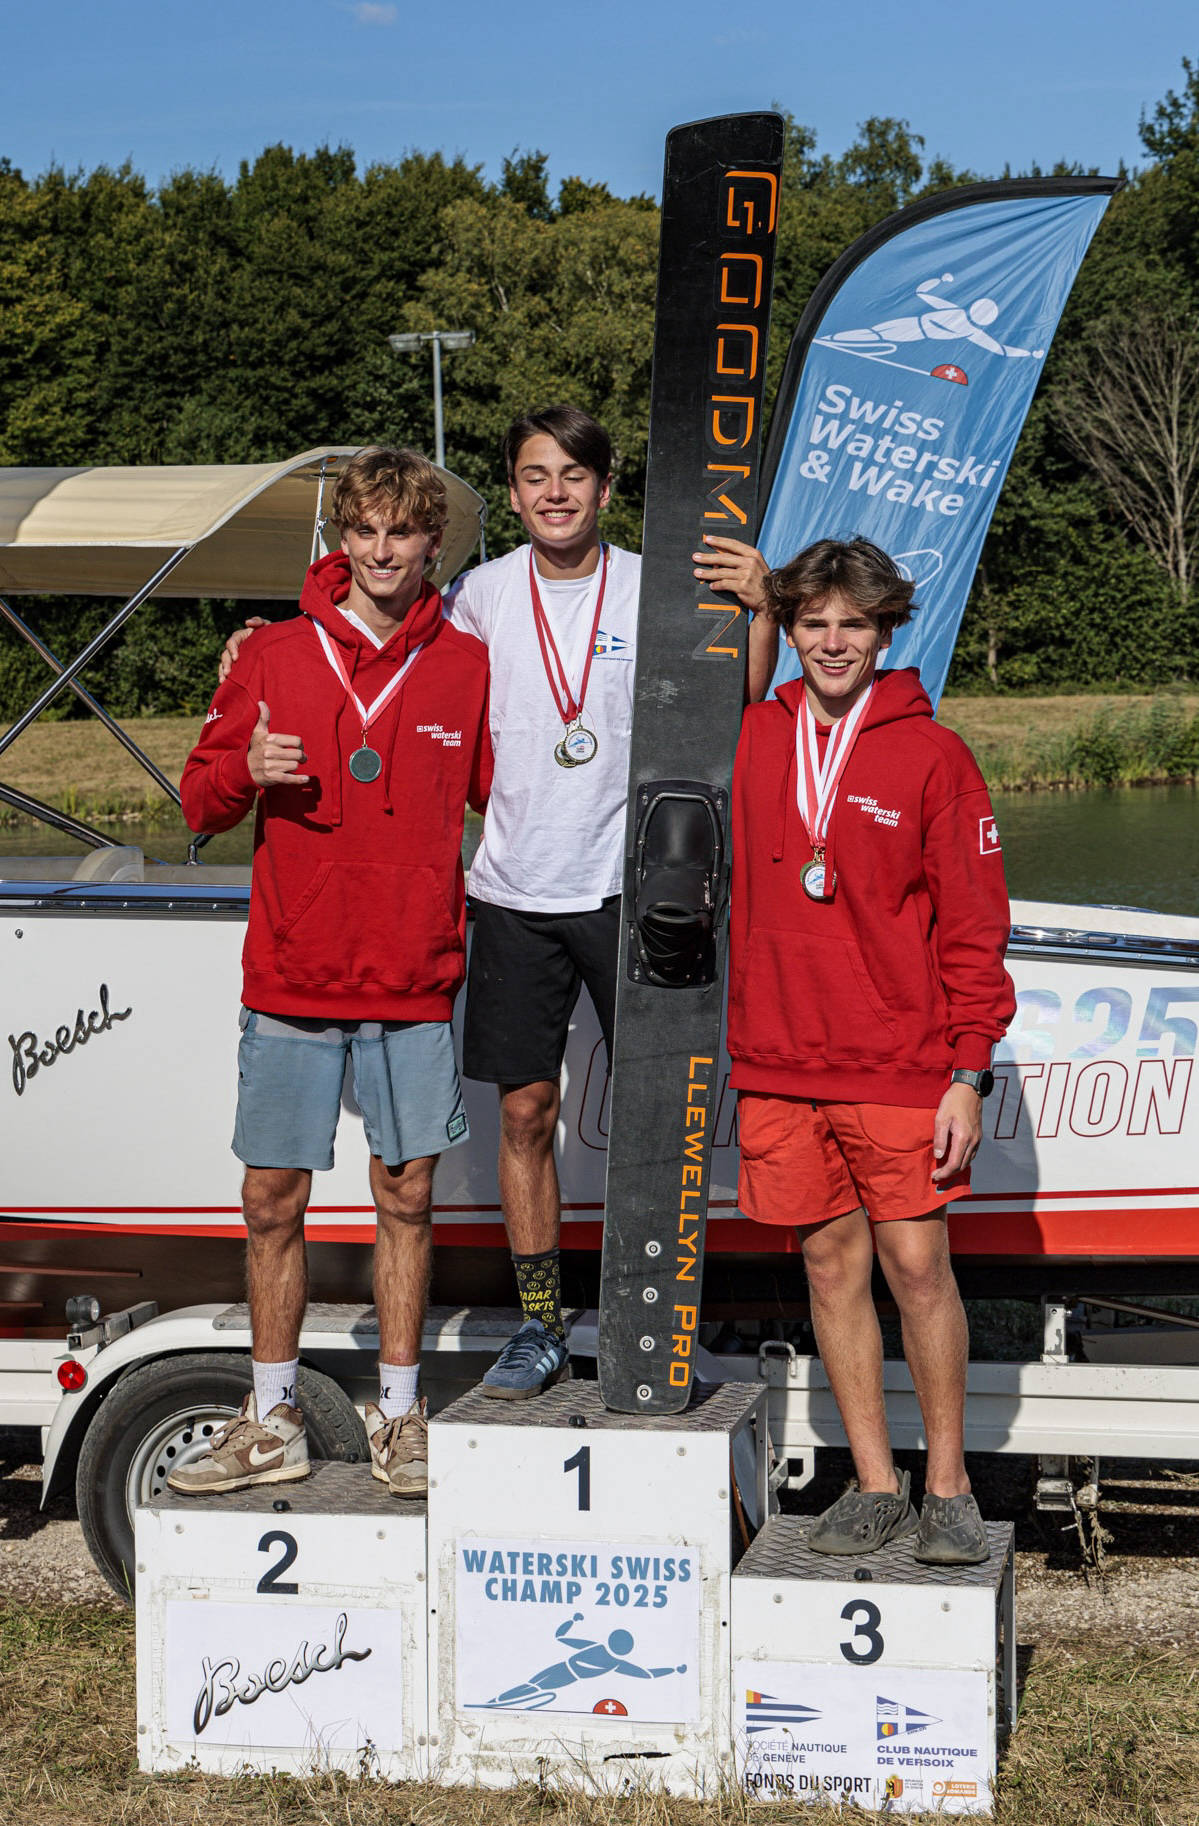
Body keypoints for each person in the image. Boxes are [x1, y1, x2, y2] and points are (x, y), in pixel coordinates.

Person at [219, 404, 774, 1401]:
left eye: (572, 474)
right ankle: (542, 1323)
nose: (554, 492)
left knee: (653, 1113)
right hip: (515, 890)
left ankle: (655, 1318)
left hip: (632, 887)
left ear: (605, 487)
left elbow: (736, 700)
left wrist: (761, 611)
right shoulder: (474, 597)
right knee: (525, 1111)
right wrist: (265, 642)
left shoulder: (652, 586)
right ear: (513, 494)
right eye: (533, 475)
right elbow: (373, 634)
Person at [172, 446, 491, 1499]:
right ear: (340, 539)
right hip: (292, 973)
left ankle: (400, 1416)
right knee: (272, 1198)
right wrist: (243, 769)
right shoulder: (270, 652)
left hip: (411, 973)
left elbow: (515, 796)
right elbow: (197, 801)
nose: (382, 551)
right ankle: (271, 1417)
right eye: (364, 531)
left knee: (406, 1196)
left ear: (431, 543)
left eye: (402, 532)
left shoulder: (467, 664)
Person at [727, 537, 1014, 1565]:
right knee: (828, 1263)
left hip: (898, 1059)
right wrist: (755, 604)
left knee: (916, 1266)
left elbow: (973, 928)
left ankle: (948, 1487)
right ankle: (875, 1482)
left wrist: (967, 1070)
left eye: (853, 623)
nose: (833, 641)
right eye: (812, 622)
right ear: (789, 629)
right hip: (777, 1059)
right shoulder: (752, 735)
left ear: (886, 630)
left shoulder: (933, 755)